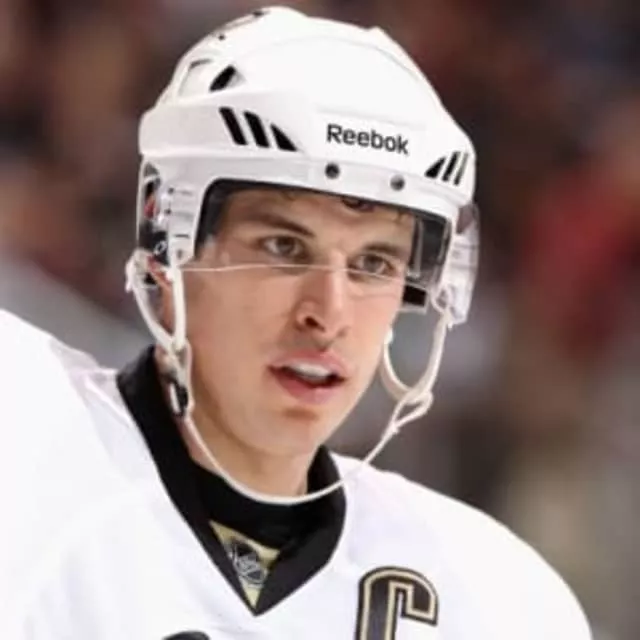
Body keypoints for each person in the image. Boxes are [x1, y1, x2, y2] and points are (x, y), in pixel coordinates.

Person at [0, 7, 591, 639]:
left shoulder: (493, 596)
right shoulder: (26, 436)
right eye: (284, 247)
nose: (328, 313)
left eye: (373, 263)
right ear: (166, 238)